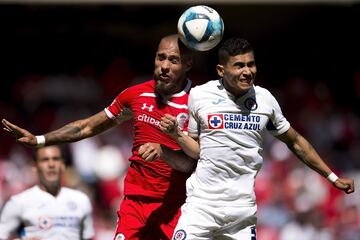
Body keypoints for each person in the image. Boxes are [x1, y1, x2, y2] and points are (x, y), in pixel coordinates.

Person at [1, 34, 196, 240]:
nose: (164, 65)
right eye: (160, 58)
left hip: (177, 205)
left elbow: (192, 164)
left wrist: (163, 152)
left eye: (173, 60)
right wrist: (40, 139)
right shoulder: (136, 95)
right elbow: (86, 128)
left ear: (188, 64)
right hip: (135, 205)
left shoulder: (197, 102)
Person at [157, 37, 355, 239]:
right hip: (201, 207)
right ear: (221, 70)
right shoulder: (199, 95)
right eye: (239, 66)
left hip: (241, 213)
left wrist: (332, 177)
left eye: (251, 64)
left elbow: (295, 141)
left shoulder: (265, 100)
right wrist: (177, 135)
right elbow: (197, 151)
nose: (247, 71)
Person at [0, 145, 94, 240]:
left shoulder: (81, 200)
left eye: (56, 159)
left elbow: (88, 237)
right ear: (35, 166)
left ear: (63, 164)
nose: (51, 164)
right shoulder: (18, 202)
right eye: (45, 160)